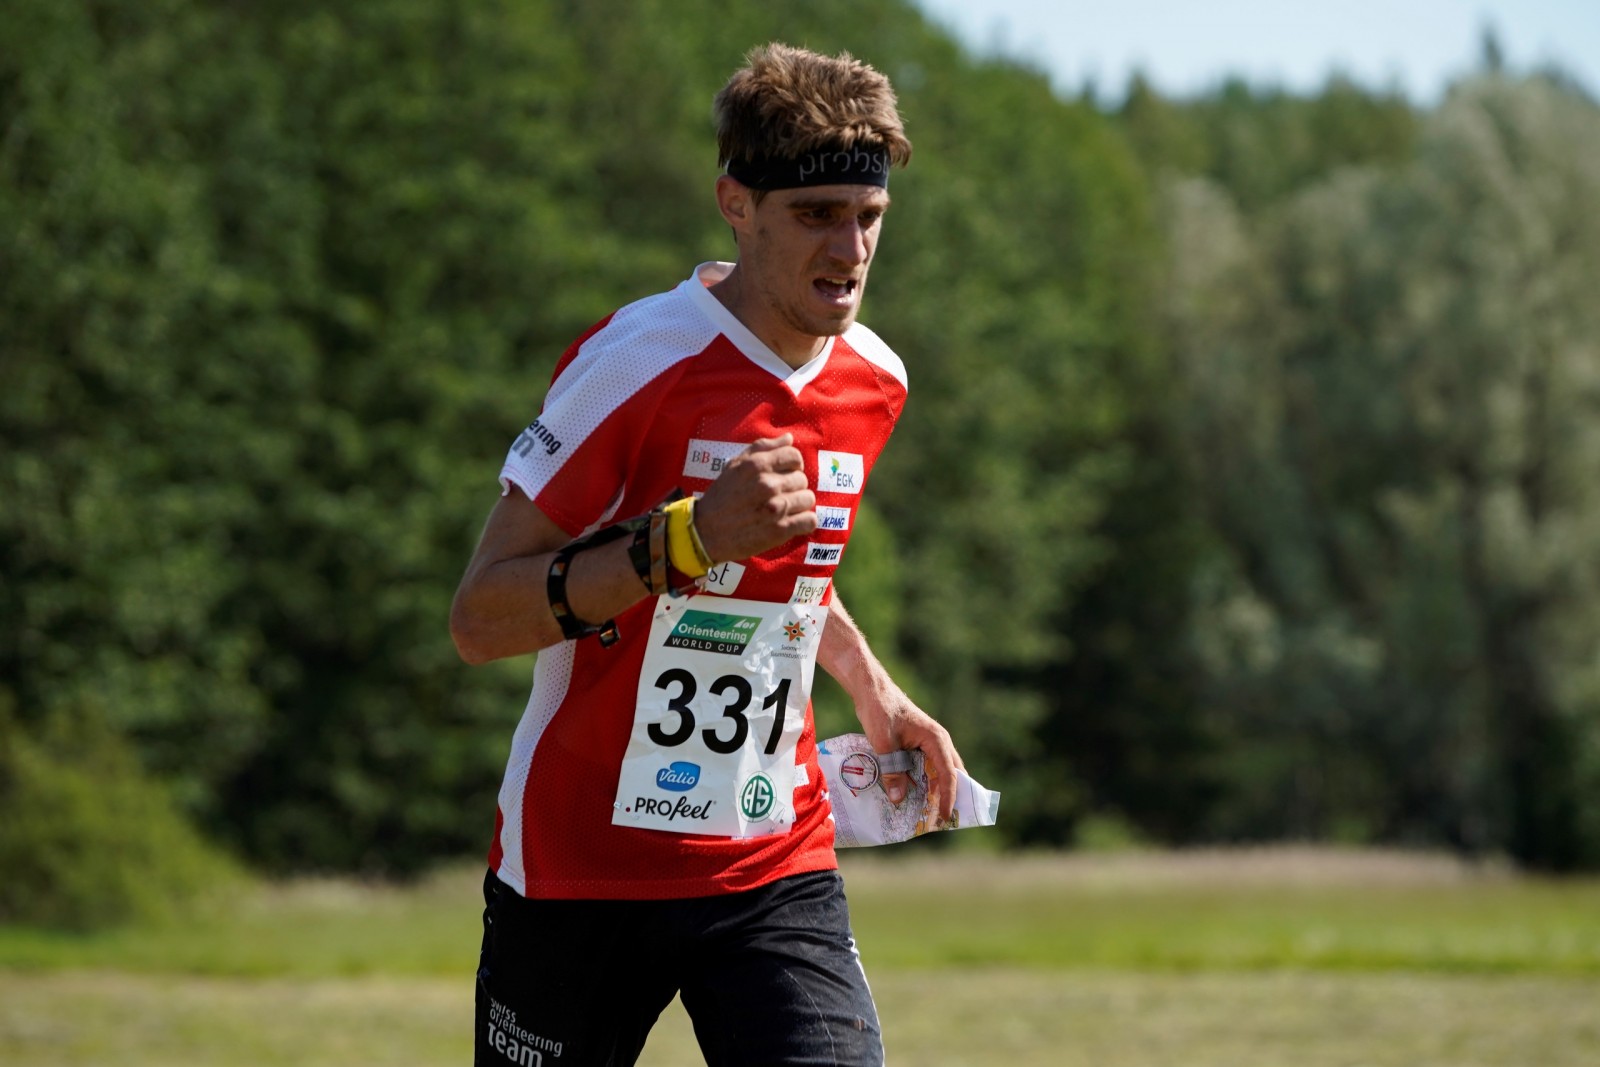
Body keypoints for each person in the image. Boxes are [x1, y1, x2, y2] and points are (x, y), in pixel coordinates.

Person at [450, 42, 965, 1067]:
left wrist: (874, 689)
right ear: (737, 204)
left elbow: (794, 577)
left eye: (869, 215)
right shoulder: (634, 362)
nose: (850, 247)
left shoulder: (875, 379)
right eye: (815, 214)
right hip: (580, 868)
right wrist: (687, 537)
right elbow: (480, 617)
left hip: (770, 857)